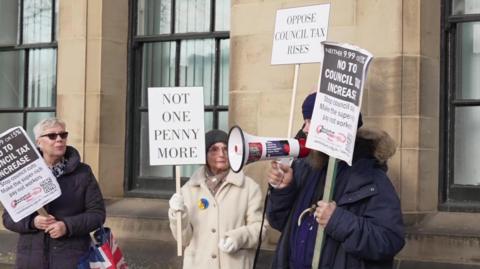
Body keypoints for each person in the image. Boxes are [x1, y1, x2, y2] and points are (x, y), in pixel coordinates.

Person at [266, 92, 405, 269]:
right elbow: (279, 223)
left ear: (334, 127)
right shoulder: (304, 168)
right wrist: (284, 190)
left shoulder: (371, 178)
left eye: (311, 121)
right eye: (305, 121)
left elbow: (389, 240)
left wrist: (338, 221)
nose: (305, 129)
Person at [2, 118, 106, 269]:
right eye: (52, 136)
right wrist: (32, 222)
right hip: (31, 260)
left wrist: (67, 226)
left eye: (63, 135)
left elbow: (97, 215)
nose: (59, 139)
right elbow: (8, 218)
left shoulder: (83, 173)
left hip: (72, 259)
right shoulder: (22, 175)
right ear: (38, 143)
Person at [168, 129, 266, 269]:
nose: (221, 154)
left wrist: (238, 238)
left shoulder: (249, 188)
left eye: (226, 149)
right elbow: (183, 240)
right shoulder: (187, 190)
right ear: (205, 155)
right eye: (214, 149)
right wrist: (177, 215)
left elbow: (261, 229)